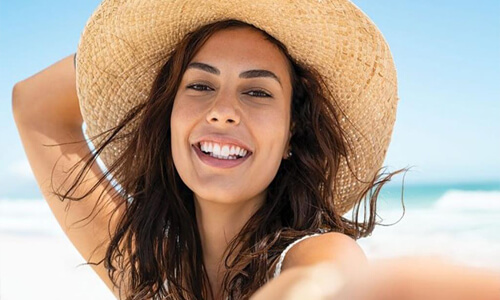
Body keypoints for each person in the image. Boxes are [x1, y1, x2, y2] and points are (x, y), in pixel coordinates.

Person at [11, 1, 500, 299]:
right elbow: (33, 106)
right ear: (168, 117)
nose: (223, 111)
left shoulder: (316, 254)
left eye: (258, 91)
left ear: (291, 136)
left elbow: (325, 284)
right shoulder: (147, 267)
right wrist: (132, 45)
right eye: (200, 86)